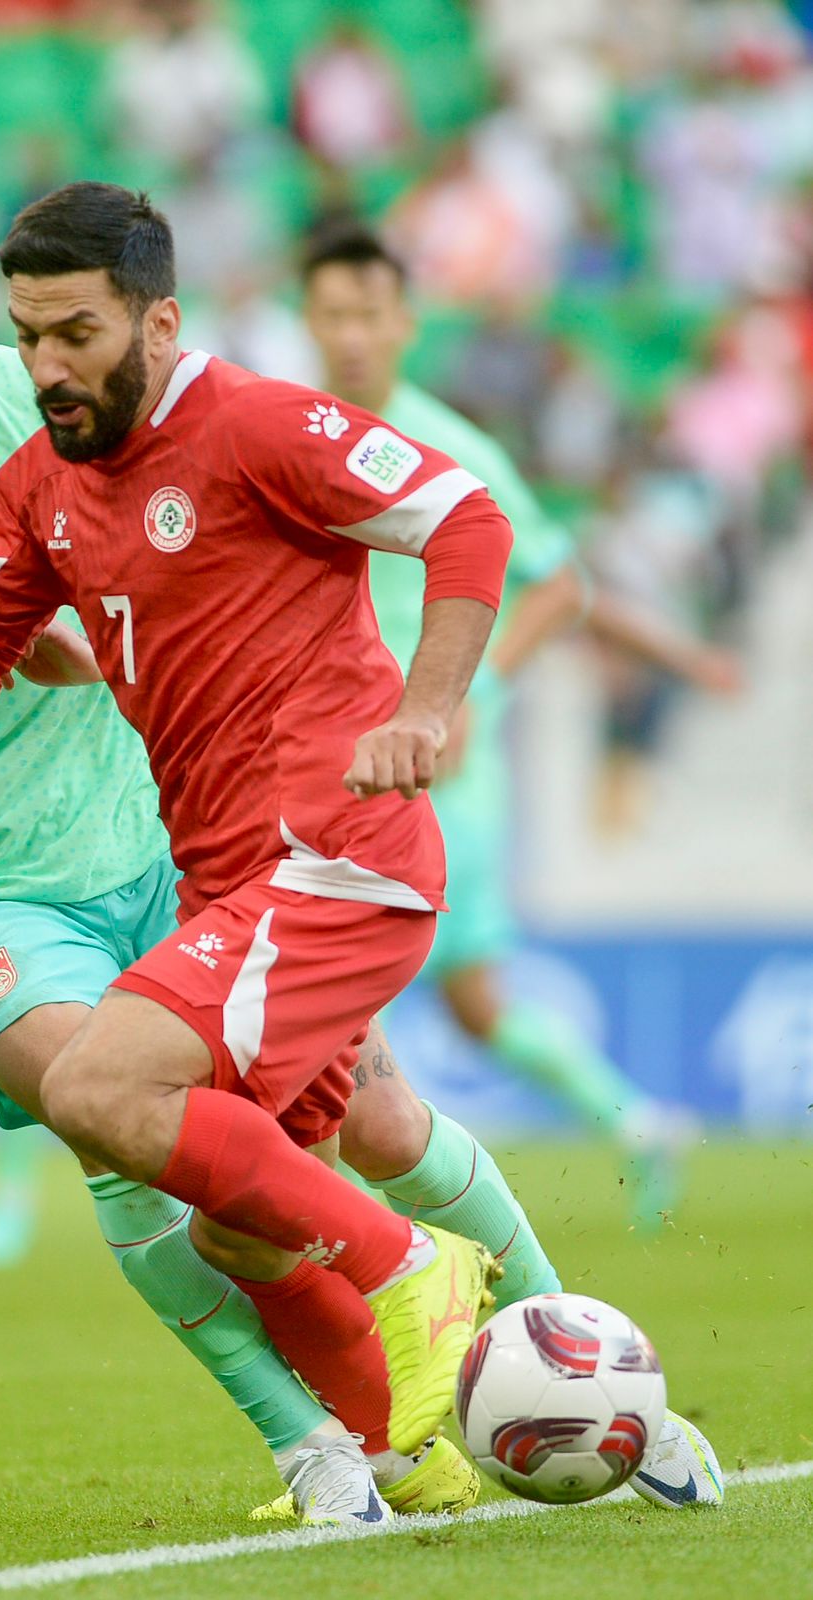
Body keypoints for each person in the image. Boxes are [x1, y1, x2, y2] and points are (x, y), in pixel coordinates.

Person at [0, 160, 529, 1525]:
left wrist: (414, 705)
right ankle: (333, 1451)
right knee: (121, 1135)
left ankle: (558, 1346)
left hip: (179, 846)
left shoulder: (23, 395)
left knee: (365, 1125)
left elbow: (416, 520)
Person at [295, 219, 724, 1509]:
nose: (348, 334)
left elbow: (554, 583)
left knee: (353, 1074)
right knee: (390, 1055)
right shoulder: (283, 430)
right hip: (303, 783)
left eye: (368, 311)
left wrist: (460, 690)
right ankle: (611, 1154)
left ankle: (424, 1351)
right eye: (329, 312)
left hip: (418, 781)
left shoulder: (449, 446)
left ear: (403, 320)